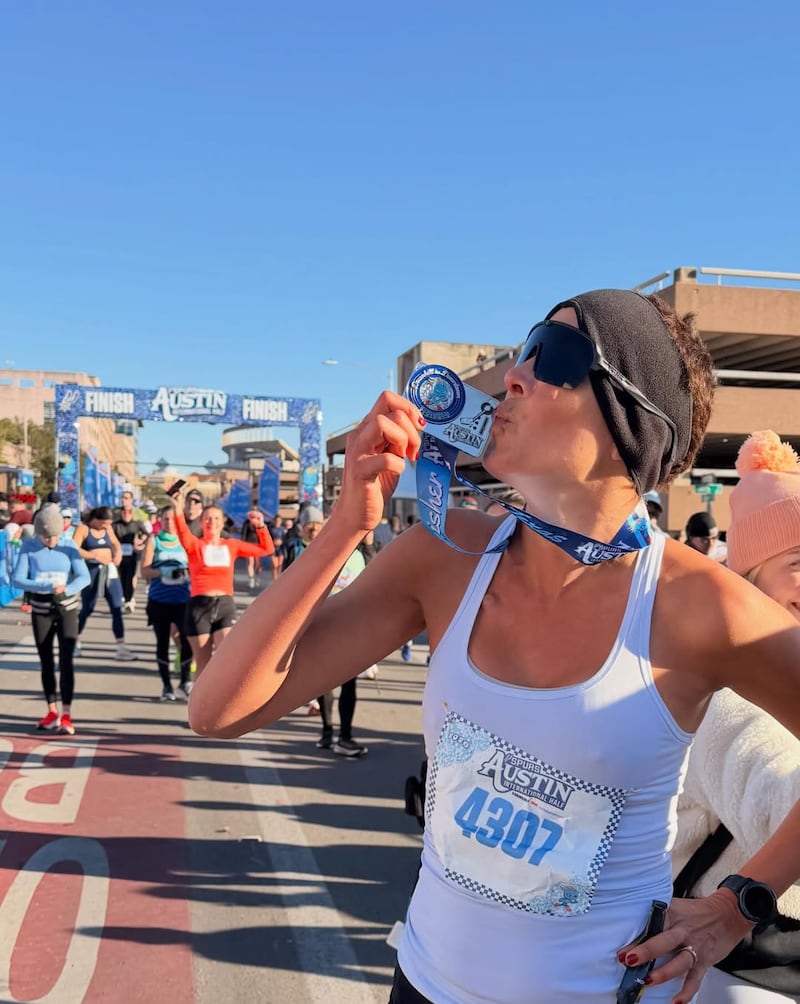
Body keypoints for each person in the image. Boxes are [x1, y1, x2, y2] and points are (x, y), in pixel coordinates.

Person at [189, 288, 800, 1004]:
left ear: (635, 422)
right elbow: (219, 709)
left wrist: (740, 904)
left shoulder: (701, 605)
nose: (514, 375)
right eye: (525, 348)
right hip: (423, 984)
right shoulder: (446, 556)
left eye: (556, 355)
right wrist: (348, 524)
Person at [673, 430, 800, 1003]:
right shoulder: (728, 692)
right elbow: (775, 801)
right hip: (737, 967)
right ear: (751, 581)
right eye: (798, 562)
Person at [173, 489, 273, 678]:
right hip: (199, 607)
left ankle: (222, 697)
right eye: (208, 518)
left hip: (225, 604)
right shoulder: (195, 545)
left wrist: (260, 526)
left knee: (226, 659)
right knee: (203, 663)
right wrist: (177, 507)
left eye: (216, 518)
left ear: (223, 522)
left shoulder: (231, 545)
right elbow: (182, 531)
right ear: (201, 522)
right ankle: (200, 697)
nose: (212, 522)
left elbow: (266, 549)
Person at [12, 504, 90, 735]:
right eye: (47, 537)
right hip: (41, 609)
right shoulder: (29, 546)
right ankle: (51, 710)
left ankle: (66, 714)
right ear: (39, 533)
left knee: (66, 661)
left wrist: (67, 589)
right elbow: (18, 579)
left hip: (67, 609)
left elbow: (84, 577)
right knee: (46, 661)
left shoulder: (68, 545)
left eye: (56, 536)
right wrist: (46, 586)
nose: (52, 541)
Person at [140, 503, 194, 702]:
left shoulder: (186, 541)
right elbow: (144, 571)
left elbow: (197, 566)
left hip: (183, 600)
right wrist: (164, 572)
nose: (170, 522)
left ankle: (185, 682)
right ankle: (166, 686)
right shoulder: (154, 541)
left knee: (188, 641)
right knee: (162, 643)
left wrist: (186, 573)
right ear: (160, 521)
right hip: (159, 601)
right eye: (166, 519)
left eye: (173, 519)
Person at [73, 506, 137, 661]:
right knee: (87, 608)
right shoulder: (83, 529)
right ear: (96, 519)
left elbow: (116, 544)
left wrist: (118, 555)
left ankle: (121, 646)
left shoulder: (108, 529)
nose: (107, 526)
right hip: (92, 571)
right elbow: (74, 548)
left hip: (110, 571)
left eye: (109, 523)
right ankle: (75, 641)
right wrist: (92, 555)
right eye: (104, 523)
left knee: (116, 607)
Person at [112, 490, 150, 613]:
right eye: (123, 497)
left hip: (132, 553)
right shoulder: (115, 518)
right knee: (121, 577)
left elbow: (147, 533)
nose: (126, 514)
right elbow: (110, 534)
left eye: (127, 498)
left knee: (130, 577)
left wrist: (141, 542)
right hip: (119, 554)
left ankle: (129, 599)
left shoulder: (137, 520)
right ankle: (125, 597)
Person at [241, 509, 269, 589]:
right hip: (249, 544)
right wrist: (243, 544)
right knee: (250, 562)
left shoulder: (260, 522)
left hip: (258, 545)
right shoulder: (247, 523)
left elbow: (264, 533)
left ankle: (257, 576)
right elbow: (243, 534)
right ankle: (251, 579)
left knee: (258, 563)